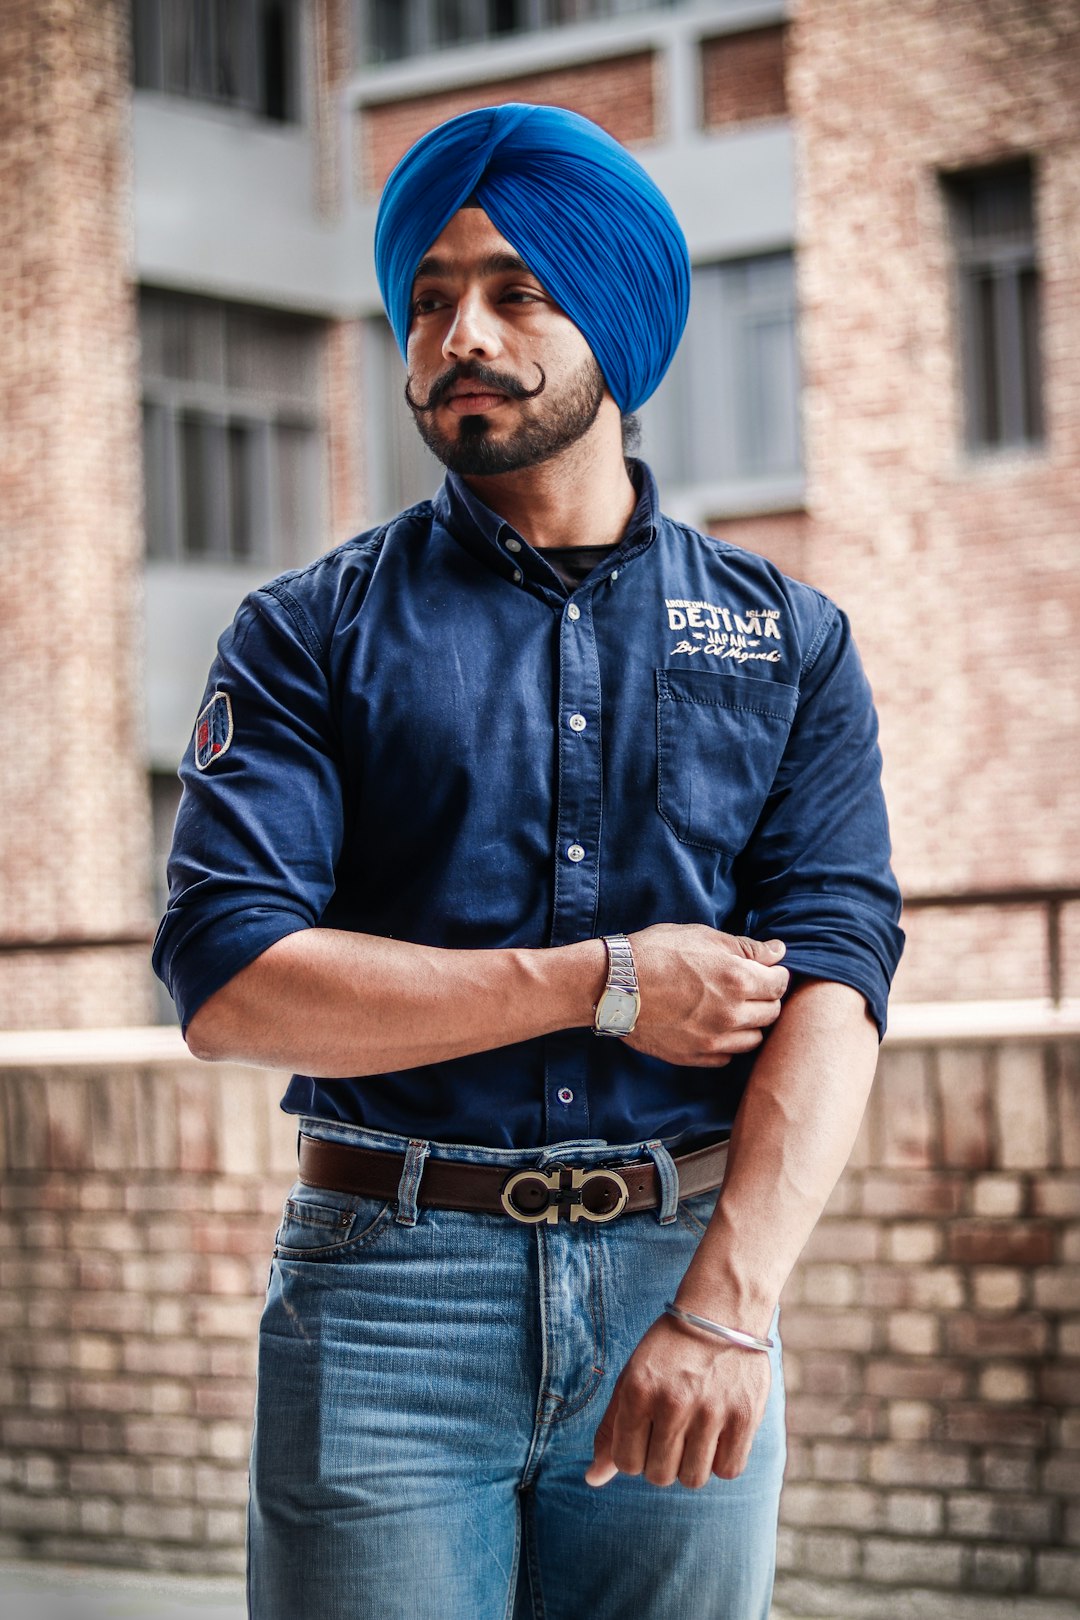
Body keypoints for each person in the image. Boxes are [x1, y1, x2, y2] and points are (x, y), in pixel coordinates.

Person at [154, 104, 903, 1620]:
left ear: (614, 318)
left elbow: (840, 977)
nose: (459, 336)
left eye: (514, 291)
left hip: (682, 1278)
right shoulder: (306, 632)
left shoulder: (787, 639)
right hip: (387, 1295)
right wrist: (608, 985)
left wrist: (731, 1308)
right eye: (427, 301)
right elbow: (233, 982)